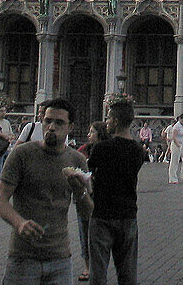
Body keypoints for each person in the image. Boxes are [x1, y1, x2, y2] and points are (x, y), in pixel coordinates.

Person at [0, 99, 92, 285]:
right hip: (23, 257)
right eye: (47, 121)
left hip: (60, 258)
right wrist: (20, 223)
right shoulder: (22, 154)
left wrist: (81, 192)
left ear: (70, 127)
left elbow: (87, 212)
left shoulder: (77, 160)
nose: (51, 127)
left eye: (59, 123)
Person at [88, 100, 144, 285]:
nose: (106, 123)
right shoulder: (138, 150)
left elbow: (90, 173)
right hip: (128, 214)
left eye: (109, 118)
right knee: (127, 275)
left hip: (102, 214)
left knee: (98, 274)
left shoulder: (101, 148)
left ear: (117, 121)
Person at [75, 121, 108, 284]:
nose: (89, 135)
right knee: (84, 231)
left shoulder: (107, 150)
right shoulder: (83, 151)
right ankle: (87, 266)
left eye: (92, 132)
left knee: (100, 233)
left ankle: (98, 266)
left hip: (101, 196)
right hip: (84, 195)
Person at [167, 112, 183, 184]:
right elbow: (174, 137)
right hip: (176, 144)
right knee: (175, 161)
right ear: (180, 119)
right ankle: (172, 178)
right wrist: (178, 144)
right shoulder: (176, 126)